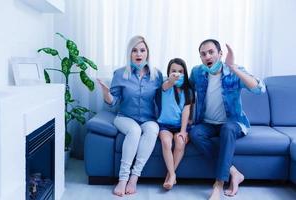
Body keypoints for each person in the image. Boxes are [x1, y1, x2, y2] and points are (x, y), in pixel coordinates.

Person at [188, 39, 265, 200]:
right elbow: (186, 92)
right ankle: (233, 172)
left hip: (234, 123)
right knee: (195, 133)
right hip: (207, 123)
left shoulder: (233, 72)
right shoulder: (197, 72)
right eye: (203, 54)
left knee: (227, 129)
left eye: (211, 52)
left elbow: (259, 89)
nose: (207, 56)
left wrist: (233, 67)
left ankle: (219, 184)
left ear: (220, 54)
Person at [98, 35, 163, 197]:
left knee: (153, 129)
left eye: (142, 50)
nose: (138, 54)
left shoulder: (156, 75)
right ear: (129, 53)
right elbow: (113, 102)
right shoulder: (120, 74)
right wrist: (106, 94)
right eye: (134, 50)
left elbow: (161, 102)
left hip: (148, 119)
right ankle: (123, 179)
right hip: (125, 117)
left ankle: (134, 177)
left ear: (147, 53)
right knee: (134, 131)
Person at [157, 58, 193, 190]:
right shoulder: (165, 86)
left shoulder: (188, 90)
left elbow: (186, 111)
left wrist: (183, 131)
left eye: (180, 71)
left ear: (185, 73)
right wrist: (171, 80)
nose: (177, 74)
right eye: (173, 71)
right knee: (166, 142)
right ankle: (172, 175)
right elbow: (167, 84)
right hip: (164, 125)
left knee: (180, 142)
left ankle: (169, 176)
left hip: (180, 126)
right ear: (168, 73)